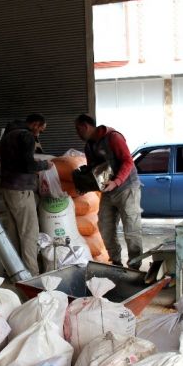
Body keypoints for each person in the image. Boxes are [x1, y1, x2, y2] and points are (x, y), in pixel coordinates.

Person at [74, 113, 143, 270]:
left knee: (131, 229)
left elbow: (128, 161)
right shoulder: (89, 146)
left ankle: (135, 266)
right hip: (108, 190)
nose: (77, 133)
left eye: (78, 129)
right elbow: (94, 171)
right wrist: (85, 184)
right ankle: (116, 262)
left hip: (126, 188)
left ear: (85, 126)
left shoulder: (113, 137)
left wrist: (116, 181)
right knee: (105, 227)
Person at [0, 114, 50, 276]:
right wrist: (45, 164)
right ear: (35, 124)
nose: (39, 134)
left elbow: (17, 161)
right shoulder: (26, 136)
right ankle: (32, 275)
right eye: (40, 130)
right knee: (29, 233)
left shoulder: (8, 134)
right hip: (21, 189)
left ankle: (15, 273)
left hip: (8, 188)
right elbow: (28, 165)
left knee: (14, 233)